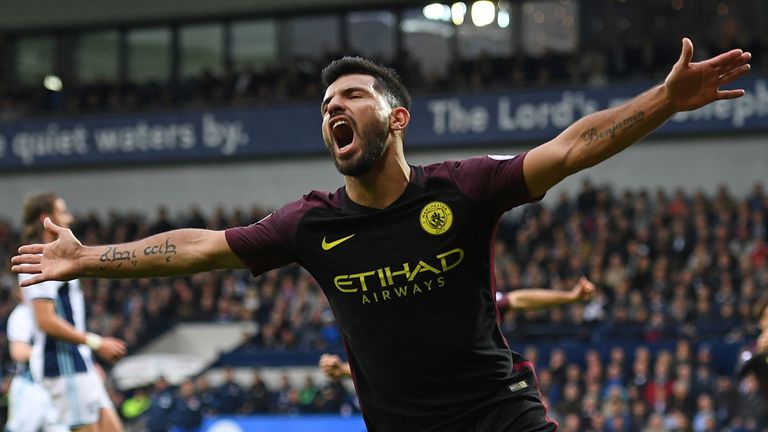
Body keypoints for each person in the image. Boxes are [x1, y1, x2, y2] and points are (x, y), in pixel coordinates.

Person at [12, 39, 751, 431]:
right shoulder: (311, 223)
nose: (334, 107)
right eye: (327, 103)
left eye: (353, 96)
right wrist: (88, 259)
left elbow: (573, 146)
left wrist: (663, 100)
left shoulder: (462, 189)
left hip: (500, 416)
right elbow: (203, 246)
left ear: (396, 119)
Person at [319, 277, 597, 380]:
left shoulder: (468, 299)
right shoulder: (409, 326)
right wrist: (344, 370)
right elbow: (393, 374)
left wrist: (570, 297)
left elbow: (517, 300)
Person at [17, 193, 127, 431]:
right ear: (47, 218)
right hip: (62, 364)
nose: (70, 217)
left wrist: (88, 358)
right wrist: (96, 343)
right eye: (63, 212)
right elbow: (45, 320)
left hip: (79, 362)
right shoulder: (38, 258)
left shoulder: (58, 257)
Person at [5, 285, 57, 432]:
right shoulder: (22, 314)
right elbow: (18, 352)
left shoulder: (52, 312)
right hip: (30, 387)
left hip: (53, 385)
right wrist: (49, 353)